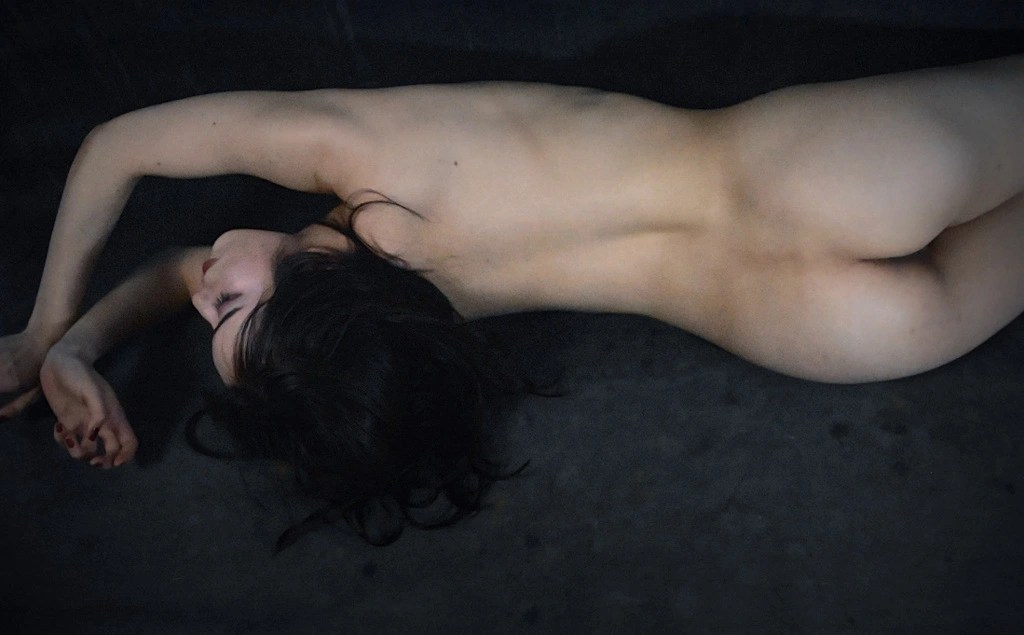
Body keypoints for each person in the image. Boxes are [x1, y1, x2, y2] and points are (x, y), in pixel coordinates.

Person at [1, 55, 1021, 543]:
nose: (203, 288)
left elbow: (184, 258)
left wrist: (64, 342)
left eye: (218, 310)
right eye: (225, 309)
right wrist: (53, 332)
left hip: (826, 334)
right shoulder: (364, 154)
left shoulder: (402, 320)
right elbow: (122, 148)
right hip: (827, 174)